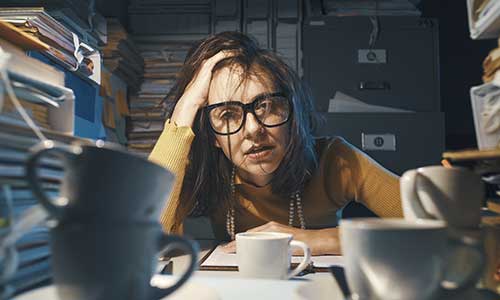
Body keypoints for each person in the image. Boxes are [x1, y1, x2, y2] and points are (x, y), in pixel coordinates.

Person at [148, 31, 402, 255]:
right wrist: (185, 108)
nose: (253, 129)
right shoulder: (204, 170)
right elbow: (142, 241)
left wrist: (319, 239)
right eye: (227, 114)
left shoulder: (336, 160)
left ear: (291, 114)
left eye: (266, 107)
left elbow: (439, 224)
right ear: (212, 136)